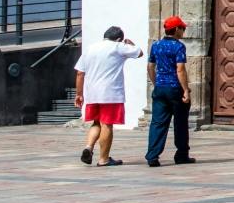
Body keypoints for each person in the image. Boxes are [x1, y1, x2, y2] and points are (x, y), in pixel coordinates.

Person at [74, 25, 141, 168]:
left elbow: (80, 73)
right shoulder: (118, 47)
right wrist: (129, 44)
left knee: (96, 122)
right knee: (107, 124)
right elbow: (139, 53)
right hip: (111, 93)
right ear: (118, 39)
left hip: (92, 93)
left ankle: (89, 147)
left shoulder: (91, 48)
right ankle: (103, 159)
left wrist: (79, 94)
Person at [144, 16, 193, 167]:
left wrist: (155, 83)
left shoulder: (156, 45)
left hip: (160, 89)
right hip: (175, 89)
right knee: (180, 123)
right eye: (182, 28)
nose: (183, 31)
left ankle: (152, 156)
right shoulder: (178, 46)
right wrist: (185, 90)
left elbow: (150, 67)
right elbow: (180, 69)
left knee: (158, 122)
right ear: (176, 29)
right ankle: (181, 155)